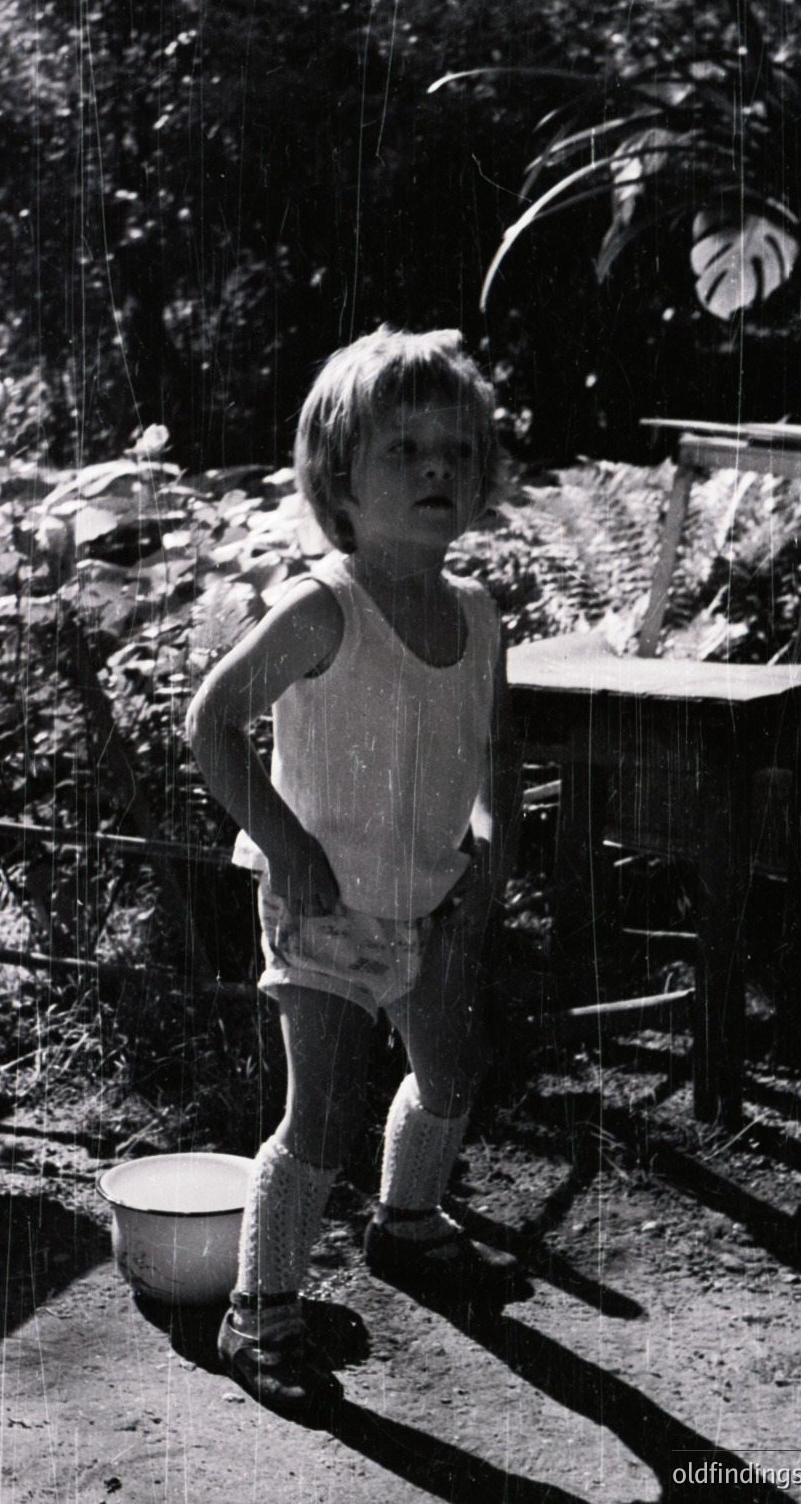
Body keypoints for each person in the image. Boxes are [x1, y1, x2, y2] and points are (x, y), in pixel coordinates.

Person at [185, 325, 522, 1420]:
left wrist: (491, 852)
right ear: (339, 479)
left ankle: (409, 1225)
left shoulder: (477, 615)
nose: (437, 469)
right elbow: (211, 725)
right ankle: (261, 1307)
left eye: (457, 452)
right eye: (405, 448)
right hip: (326, 915)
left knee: (454, 1070)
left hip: (434, 894)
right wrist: (286, 847)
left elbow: (492, 745)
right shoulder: (323, 608)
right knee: (319, 1120)